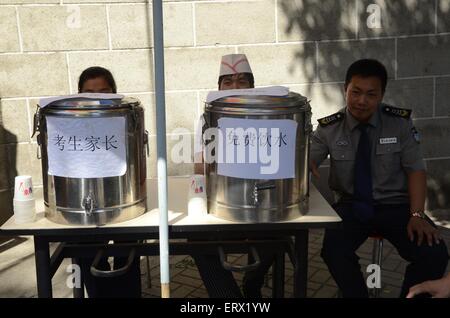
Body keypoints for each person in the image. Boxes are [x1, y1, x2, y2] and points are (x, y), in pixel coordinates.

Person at [310, 59, 449, 298]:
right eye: (355, 92)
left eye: (371, 94)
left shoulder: (399, 124)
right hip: (351, 205)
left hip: (396, 206)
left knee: (434, 252)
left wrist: (417, 215)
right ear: (345, 89)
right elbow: (306, 160)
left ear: (382, 94)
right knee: (333, 250)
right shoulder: (329, 128)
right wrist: (302, 162)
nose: (361, 101)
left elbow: (415, 170)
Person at [193, 54, 277, 298]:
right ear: (218, 88)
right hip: (223, 198)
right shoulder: (206, 118)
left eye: (241, 81)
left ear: (252, 87)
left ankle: (252, 283)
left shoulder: (269, 115)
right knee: (198, 240)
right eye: (227, 82)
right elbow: (199, 166)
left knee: (277, 233)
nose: (234, 87)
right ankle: (228, 298)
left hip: (262, 197)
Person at [77, 66, 142, 298]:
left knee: (129, 248)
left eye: (104, 92)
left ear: (115, 92)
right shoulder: (71, 124)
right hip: (86, 203)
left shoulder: (127, 118)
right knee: (86, 249)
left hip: (123, 196)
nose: (97, 99)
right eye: (89, 93)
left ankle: (130, 293)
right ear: (79, 96)